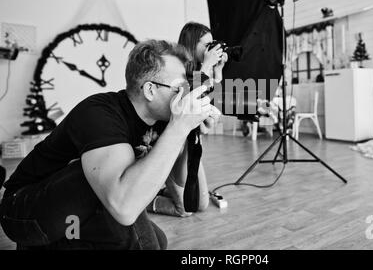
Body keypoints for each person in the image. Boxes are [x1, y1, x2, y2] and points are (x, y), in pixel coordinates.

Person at [0, 39, 221, 249]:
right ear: (150, 90)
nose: (184, 95)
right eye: (179, 88)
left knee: (158, 240)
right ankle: (39, 244)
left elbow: (180, 186)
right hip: (24, 210)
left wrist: (187, 133)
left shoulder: (165, 120)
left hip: (78, 208)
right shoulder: (99, 113)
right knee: (141, 242)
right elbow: (124, 207)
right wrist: (178, 128)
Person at [147, 22, 227, 218]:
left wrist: (217, 71)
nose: (212, 48)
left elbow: (209, 101)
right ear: (193, 44)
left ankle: (166, 190)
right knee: (184, 210)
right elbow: (189, 98)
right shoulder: (178, 69)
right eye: (207, 44)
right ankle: (147, 201)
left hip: (191, 144)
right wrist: (207, 65)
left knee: (201, 204)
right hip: (172, 146)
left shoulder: (203, 71)